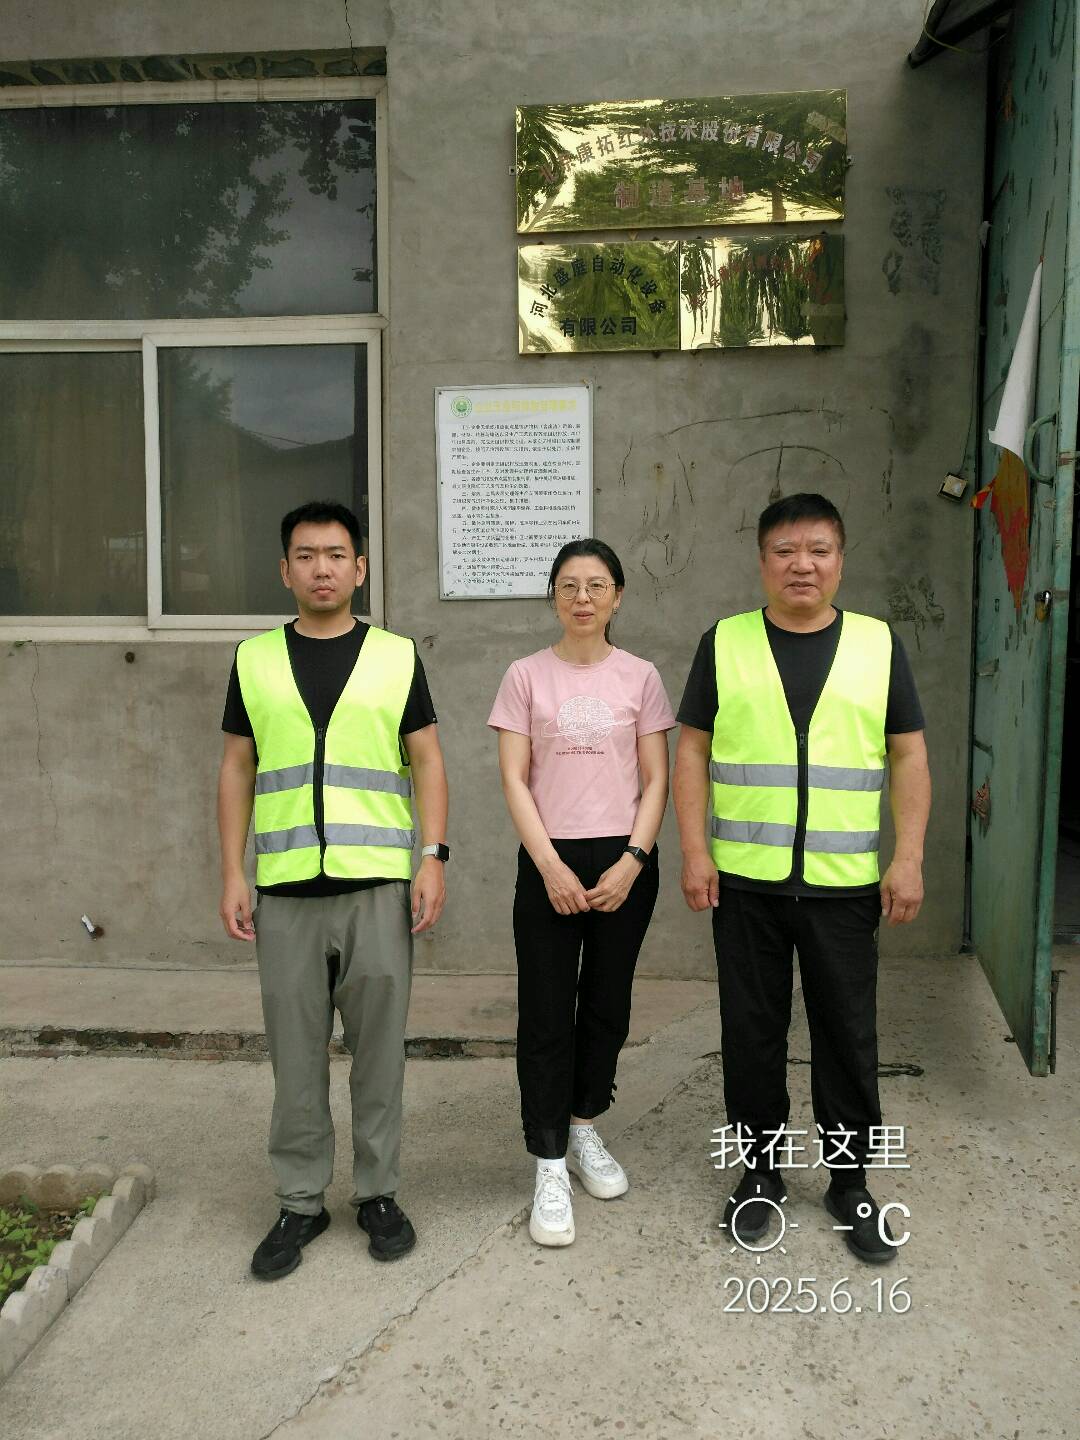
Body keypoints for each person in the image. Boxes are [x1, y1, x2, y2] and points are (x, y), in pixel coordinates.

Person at [672, 493, 930, 1264]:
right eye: (785, 551)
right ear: (762, 562)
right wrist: (694, 849)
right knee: (751, 1033)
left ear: (840, 560)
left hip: (843, 886)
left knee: (847, 1035)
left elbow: (908, 754)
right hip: (745, 884)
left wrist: (908, 857)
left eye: (818, 549)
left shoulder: (878, 645)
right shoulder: (724, 643)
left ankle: (850, 1183)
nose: (802, 565)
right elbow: (692, 749)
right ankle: (760, 1173)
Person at [217, 499, 449, 1280]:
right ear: (285, 570)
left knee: (379, 1057)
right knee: (295, 1060)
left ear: (361, 567)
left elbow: (428, 758)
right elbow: (236, 768)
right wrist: (232, 872)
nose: (323, 568)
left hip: (377, 888)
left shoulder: (395, 656)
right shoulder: (255, 660)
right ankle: (300, 1201)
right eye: (307, 555)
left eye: (337, 554)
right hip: (285, 891)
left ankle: (378, 1193)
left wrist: (433, 857)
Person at [488, 538, 675, 1247]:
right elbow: (514, 778)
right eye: (569, 585)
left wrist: (633, 861)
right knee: (545, 1011)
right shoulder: (525, 676)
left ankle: (584, 1124)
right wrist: (550, 867)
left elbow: (656, 779)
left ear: (617, 596)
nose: (583, 598)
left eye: (597, 585)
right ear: (554, 598)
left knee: (606, 1004)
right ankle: (547, 1160)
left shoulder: (641, 676)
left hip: (624, 859)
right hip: (550, 858)